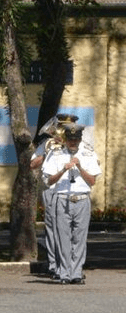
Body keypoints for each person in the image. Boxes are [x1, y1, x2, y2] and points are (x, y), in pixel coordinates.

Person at [41, 122, 102, 285]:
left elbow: (92, 181)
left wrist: (80, 167)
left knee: (79, 239)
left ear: (80, 139)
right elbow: (48, 181)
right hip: (62, 200)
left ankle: (76, 272)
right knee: (63, 238)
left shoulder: (88, 154)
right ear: (66, 139)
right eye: (70, 139)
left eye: (76, 139)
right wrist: (62, 170)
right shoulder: (55, 154)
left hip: (82, 199)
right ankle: (64, 273)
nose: (73, 142)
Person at [30, 112, 78, 280]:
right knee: (53, 228)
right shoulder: (48, 144)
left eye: (69, 128)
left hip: (74, 189)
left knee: (74, 231)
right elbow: (33, 164)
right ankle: (55, 265)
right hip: (52, 189)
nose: (64, 131)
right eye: (62, 127)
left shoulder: (80, 145)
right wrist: (47, 152)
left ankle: (72, 268)